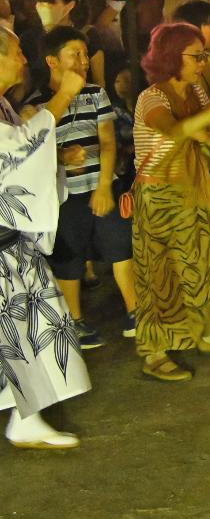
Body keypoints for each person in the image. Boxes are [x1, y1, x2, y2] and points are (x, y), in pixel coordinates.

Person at [129, 22, 210, 382]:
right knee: (160, 273)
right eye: (195, 56)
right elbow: (176, 131)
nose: (202, 63)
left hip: (193, 184)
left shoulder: (196, 90)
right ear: (170, 57)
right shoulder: (151, 98)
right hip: (159, 192)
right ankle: (154, 351)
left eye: (204, 55)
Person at [0, 23, 90, 450]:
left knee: (37, 322)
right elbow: (15, 151)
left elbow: (22, 153)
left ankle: (26, 416)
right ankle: (25, 416)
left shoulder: (4, 105)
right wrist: (63, 97)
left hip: (11, 244)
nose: (23, 60)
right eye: (16, 51)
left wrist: (53, 157)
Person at [39, 26, 136, 349]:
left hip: (100, 184)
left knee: (121, 246)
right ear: (52, 61)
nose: (83, 60)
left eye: (84, 53)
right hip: (65, 196)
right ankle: (75, 322)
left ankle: (135, 312)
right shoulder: (38, 104)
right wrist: (59, 156)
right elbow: (33, 149)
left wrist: (105, 185)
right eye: (74, 54)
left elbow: (108, 142)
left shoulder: (96, 93)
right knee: (70, 257)